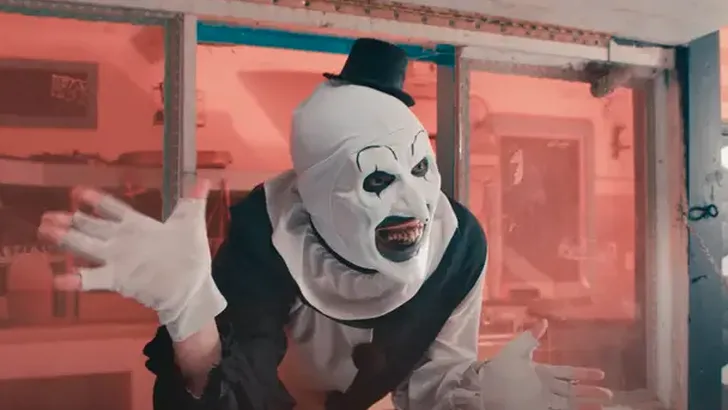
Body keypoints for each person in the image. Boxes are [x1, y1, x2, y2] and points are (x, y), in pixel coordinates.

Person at [37, 38, 613, 410]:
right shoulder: (265, 238)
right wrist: (190, 317)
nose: (416, 199)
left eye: (420, 168)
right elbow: (235, 389)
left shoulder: (458, 246)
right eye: (378, 179)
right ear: (312, 192)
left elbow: (431, 384)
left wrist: (483, 397)